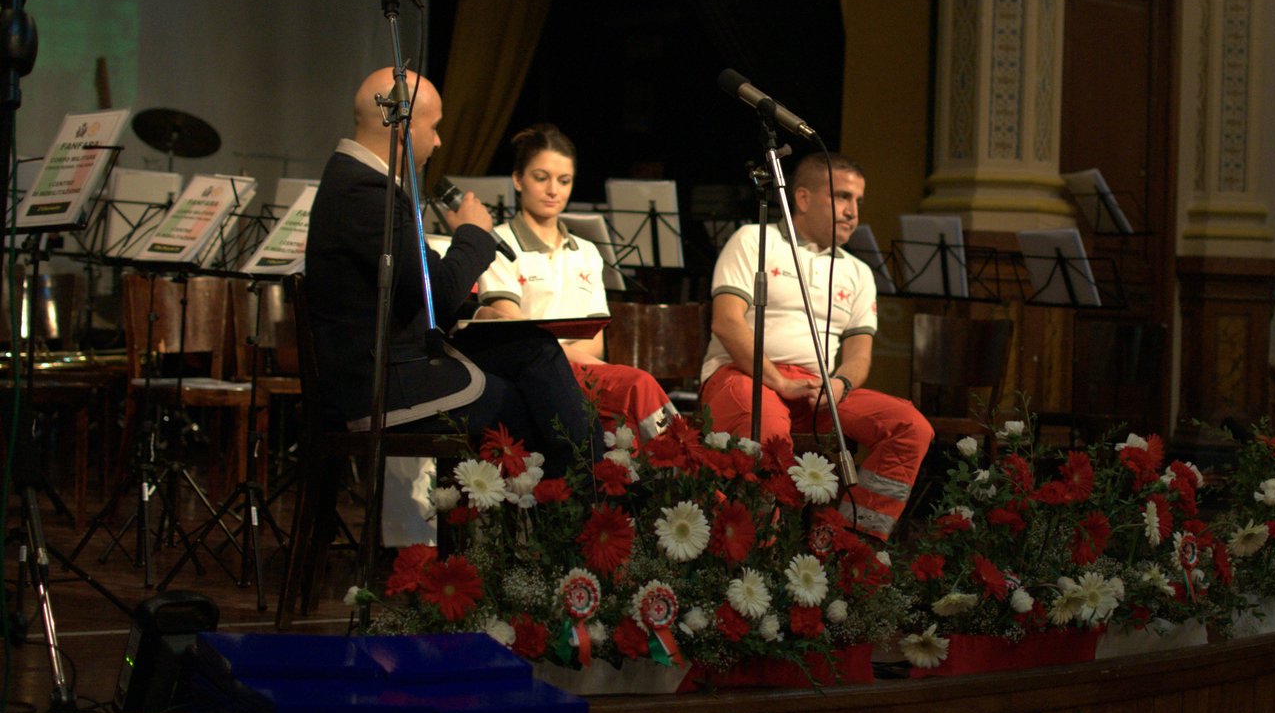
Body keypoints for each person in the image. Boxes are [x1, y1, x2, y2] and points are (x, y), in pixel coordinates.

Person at [304, 68, 597, 476]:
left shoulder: (370, 185)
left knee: (535, 349)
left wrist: (477, 313)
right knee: (535, 410)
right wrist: (474, 234)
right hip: (384, 386)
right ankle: (587, 507)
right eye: (435, 127)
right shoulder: (364, 191)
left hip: (401, 364)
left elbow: (415, 290)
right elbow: (434, 293)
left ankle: (592, 498)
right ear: (402, 126)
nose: (439, 141)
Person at [700, 152, 932, 538]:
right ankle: (762, 545)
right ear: (803, 199)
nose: (852, 211)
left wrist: (839, 385)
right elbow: (726, 321)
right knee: (769, 429)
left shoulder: (857, 272)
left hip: (813, 387)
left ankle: (845, 542)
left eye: (858, 200)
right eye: (841, 197)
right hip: (744, 375)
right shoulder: (756, 240)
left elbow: (859, 354)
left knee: (909, 426)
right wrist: (778, 381)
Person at [475, 124, 677, 441]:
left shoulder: (587, 252)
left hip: (582, 368)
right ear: (518, 179)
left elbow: (595, 339)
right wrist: (556, 357)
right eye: (541, 178)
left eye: (564, 180)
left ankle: (674, 475)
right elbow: (511, 331)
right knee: (638, 386)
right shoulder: (499, 243)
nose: (553, 189)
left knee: (627, 431)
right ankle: (686, 469)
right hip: (533, 374)